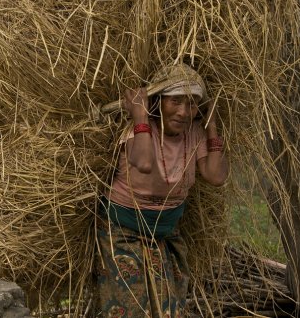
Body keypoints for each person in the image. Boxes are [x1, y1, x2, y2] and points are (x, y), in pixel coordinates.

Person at [96, 63, 229, 317]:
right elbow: (144, 163)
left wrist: (212, 126)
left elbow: (216, 175)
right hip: (123, 231)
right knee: (129, 308)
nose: (183, 112)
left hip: (165, 233)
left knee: (170, 309)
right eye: (175, 101)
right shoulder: (139, 130)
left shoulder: (194, 133)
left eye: (191, 104)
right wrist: (140, 116)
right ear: (158, 102)